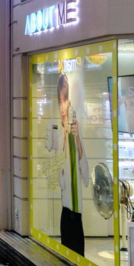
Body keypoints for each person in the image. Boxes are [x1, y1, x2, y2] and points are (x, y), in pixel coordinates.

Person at [54, 74, 88, 256]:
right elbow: (61, 181)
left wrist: (78, 140)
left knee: (78, 257)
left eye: (66, 99)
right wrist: (66, 139)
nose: (63, 106)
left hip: (78, 215)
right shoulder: (60, 135)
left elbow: (86, 177)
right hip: (66, 212)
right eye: (61, 100)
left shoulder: (77, 131)